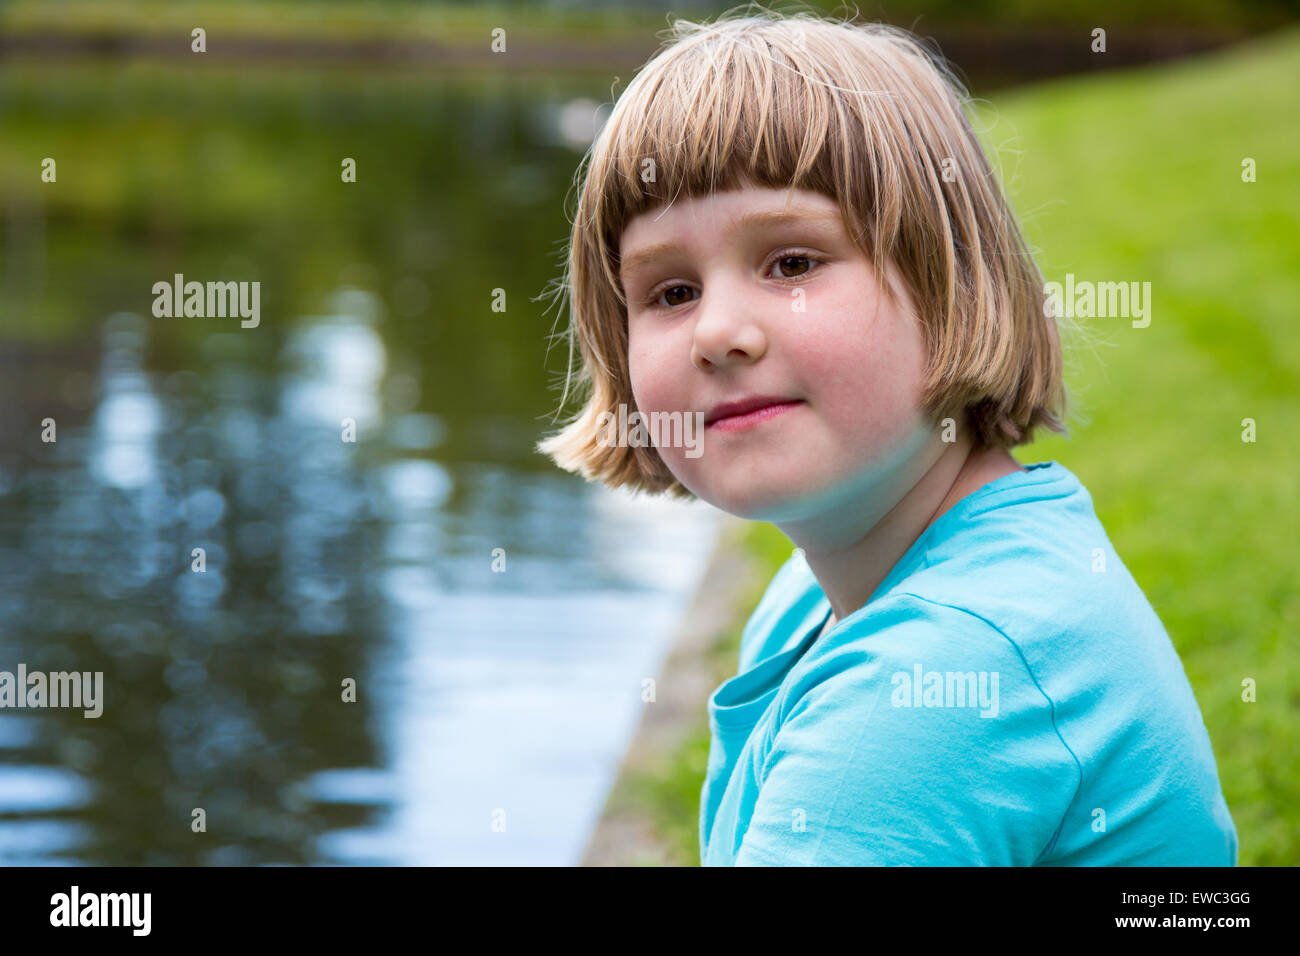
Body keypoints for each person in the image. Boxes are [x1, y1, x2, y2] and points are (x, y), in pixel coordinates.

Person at [537, 9, 1237, 866]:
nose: (717, 331)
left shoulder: (928, 681)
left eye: (792, 263)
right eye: (670, 291)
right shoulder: (816, 593)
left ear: (949, 286)